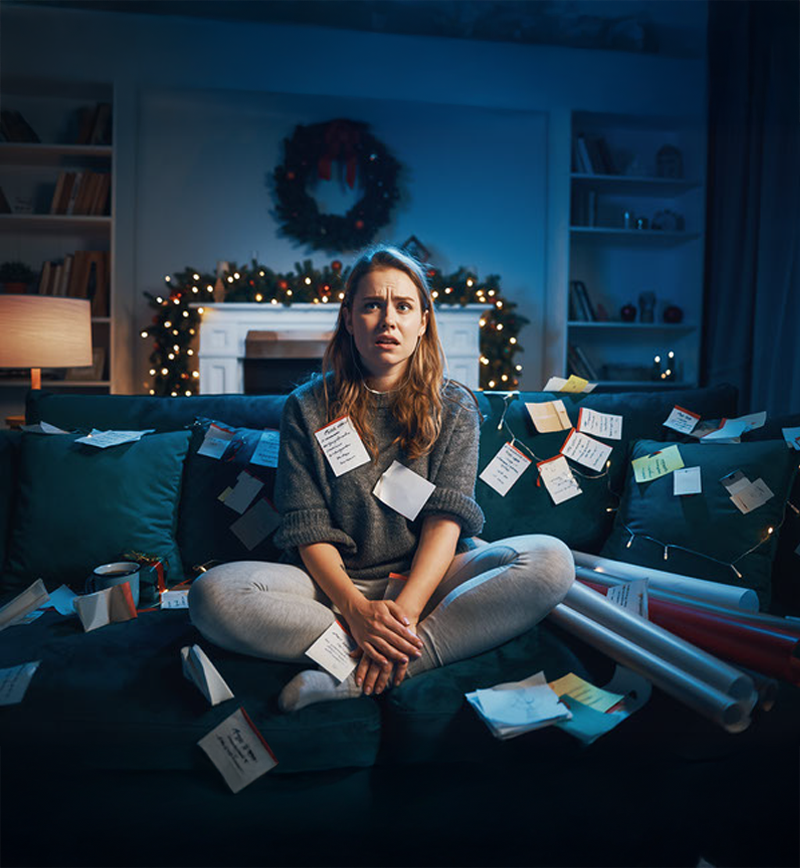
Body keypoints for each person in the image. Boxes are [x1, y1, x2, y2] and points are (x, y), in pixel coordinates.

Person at [189, 244, 574, 711]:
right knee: (213, 595)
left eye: (403, 306)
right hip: (328, 590)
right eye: (372, 305)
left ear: (423, 322)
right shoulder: (307, 407)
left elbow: (444, 523)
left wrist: (405, 613)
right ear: (349, 319)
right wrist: (356, 610)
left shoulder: (455, 407)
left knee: (552, 561)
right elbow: (306, 526)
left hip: (431, 583)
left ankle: (368, 670)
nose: (387, 320)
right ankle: (377, 645)